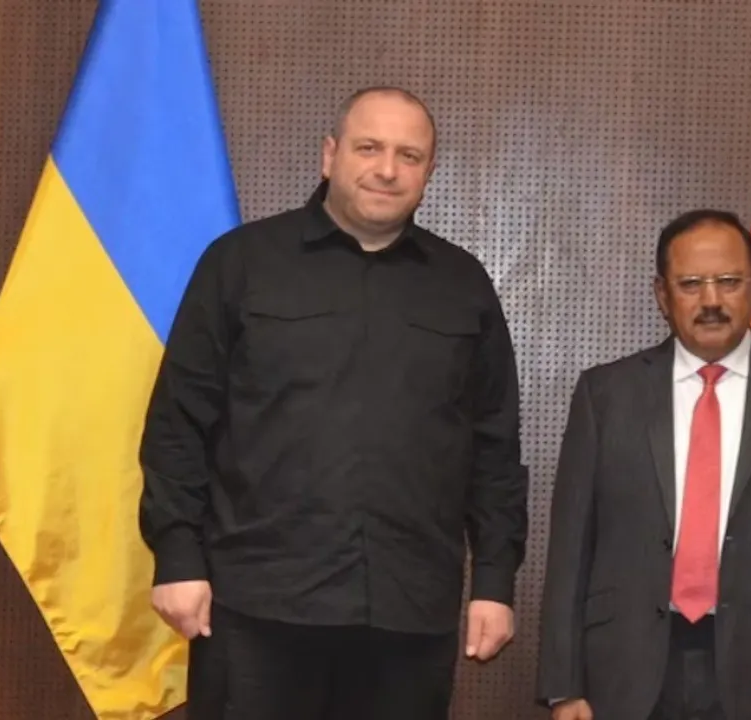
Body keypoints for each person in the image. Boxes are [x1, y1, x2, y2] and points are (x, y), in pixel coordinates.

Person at [137, 86, 528, 720]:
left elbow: (494, 449)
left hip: (409, 616)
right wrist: (177, 556)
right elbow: (178, 424)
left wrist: (494, 581)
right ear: (329, 155)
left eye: (408, 155)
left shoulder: (463, 284)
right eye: (368, 148)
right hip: (256, 608)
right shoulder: (241, 263)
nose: (387, 169)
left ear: (428, 171)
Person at [536, 210, 751, 720]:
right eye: (690, 284)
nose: (711, 301)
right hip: (624, 671)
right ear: (662, 295)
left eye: (729, 282)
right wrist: (563, 686)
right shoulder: (606, 395)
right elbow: (571, 548)